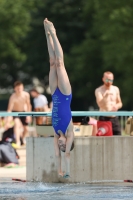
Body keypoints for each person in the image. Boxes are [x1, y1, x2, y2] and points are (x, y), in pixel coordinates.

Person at [44, 18, 74, 178]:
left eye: (61, 146)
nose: (61, 145)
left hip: (55, 93)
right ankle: (54, 33)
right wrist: (67, 171)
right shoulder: (69, 133)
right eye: (64, 146)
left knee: (52, 63)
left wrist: (58, 171)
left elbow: (57, 155)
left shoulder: (56, 134)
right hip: (65, 94)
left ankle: (47, 33)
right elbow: (66, 155)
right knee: (60, 63)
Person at [95, 71, 122, 135]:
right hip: (104, 118)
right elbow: (100, 104)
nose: (109, 81)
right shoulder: (99, 90)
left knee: (118, 136)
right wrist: (105, 96)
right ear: (103, 79)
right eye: (107, 79)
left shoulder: (116, 89)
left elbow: (120, 103)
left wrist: (117, 106)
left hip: (114, 118)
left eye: (110, 80)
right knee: (104, 139)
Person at [6, 81, 31, 147]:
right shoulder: (13, 97)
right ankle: (18, 141)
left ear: (22, 88)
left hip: (23, 112)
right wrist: (8, 120)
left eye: (20, 88)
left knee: (26, 129)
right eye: (17, 88)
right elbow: (9, 109)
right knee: (17, 124)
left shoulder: (26, 95)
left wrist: (28, 115)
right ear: (15, 89)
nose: (19, 90)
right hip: (15, 112)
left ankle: (22, 138)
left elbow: (28, 105)